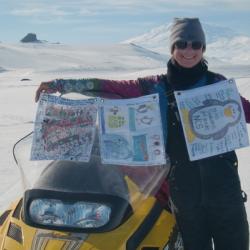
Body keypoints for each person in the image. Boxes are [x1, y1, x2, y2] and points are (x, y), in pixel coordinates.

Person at [35, 18, 250, 250]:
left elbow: (246, 111)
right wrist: (61, 84)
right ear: (172, 48)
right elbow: (110, 87)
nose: (189, 51)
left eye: (195, 44)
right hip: (183, 192)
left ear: (203, 48)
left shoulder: (218, 85)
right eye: (182, 44)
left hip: (224, 189)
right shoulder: (154, 87)